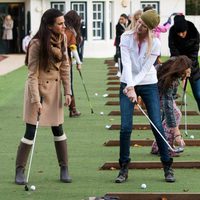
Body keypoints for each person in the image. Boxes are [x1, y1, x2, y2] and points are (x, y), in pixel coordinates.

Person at [115, 10, 175, 184]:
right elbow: (125, 63)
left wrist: (134, 85)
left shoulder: (155, 43)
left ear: (151, 29)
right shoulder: (126, 37)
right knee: (126, 127)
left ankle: (167, 165)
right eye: (139, 22)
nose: (139, 26)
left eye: (144, 25)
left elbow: (145, 69)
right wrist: (129, 86)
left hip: (147, 83)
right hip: (126, 83)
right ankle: (124, 167)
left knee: (156, 124)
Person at [15, 8, 72, 185]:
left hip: (54, 90)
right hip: (37, 90)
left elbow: (65, 67)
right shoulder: (37, 44)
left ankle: (64, 168)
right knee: (30, 131)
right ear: (49, 25)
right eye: (60, 23)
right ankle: (20, 170)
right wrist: (35, 99)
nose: (64, 26)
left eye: (64, 23)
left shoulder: (62, 39)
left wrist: (68, 91)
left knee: (58, 129)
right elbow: (31, 74)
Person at [151, 56, 192, 157]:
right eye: (187, 69)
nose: (190, 70)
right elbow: (168, 106)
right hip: (155, 94)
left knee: (174, 114)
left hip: (157, 92)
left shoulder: (173, 63)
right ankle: (165, 147)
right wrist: (177, 133)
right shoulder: (170, 80)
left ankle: (158, 145)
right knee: (175, 114)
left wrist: (184, 77)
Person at [168, 14, 200, 111]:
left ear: (186, 29)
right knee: (170, 96)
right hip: (176, 67)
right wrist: (181, 70)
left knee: (199, 95)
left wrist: (187, 69)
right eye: (179, 33)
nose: (181, 35)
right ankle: (169, 121)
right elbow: (173, 52)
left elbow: (194, 54)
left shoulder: (194, 33)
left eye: (183, 32)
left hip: (193, 68)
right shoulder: (172, 32)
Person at [64, 10, 82, 117]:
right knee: (69, 85)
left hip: (54, 62)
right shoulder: (70, 32)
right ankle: (73, 109)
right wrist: (79, 62)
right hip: (66, 63)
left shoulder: (60, 29)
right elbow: (73, 48)